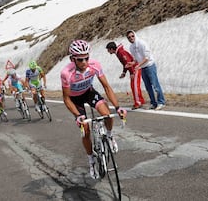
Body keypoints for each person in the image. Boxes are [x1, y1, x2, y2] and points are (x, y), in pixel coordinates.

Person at [61, 40, 126, 179]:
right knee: (85, 130)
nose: (84, 62)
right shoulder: (66, 73)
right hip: (75, 99)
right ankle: (91, 160)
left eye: (86, 58)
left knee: (107, 115)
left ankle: (109, 135)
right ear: (72, 59)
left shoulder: (95, 65)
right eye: (80, 59)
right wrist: (77, 115)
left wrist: (118, 107)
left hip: (89, 93)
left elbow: (107, 87)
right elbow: (66, 98)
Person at [126, 30, 166, 110]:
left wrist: (138, 65)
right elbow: (136, 59)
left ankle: (161, 102)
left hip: (150, 65)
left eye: (132, 36)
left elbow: (147, 58)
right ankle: (153, 103)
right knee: (148, 87)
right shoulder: (131, 47)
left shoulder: (142, 43)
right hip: (143, 67)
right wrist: (132, 63)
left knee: (155, 85)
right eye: (129, 37)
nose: (131, 38)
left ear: (135, 35)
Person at [106, 41, 145, 110]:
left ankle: (138, 102)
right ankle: (140, 100)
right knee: (134, 86)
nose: (108, 52)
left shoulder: (121, 52)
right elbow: (125, 64)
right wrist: (124, 72)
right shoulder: (119, 52)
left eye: (108, 50)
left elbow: (128, 62)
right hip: (134, 69)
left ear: (111, 49)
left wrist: (132, 73)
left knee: (135, 86)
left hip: (135, 68)